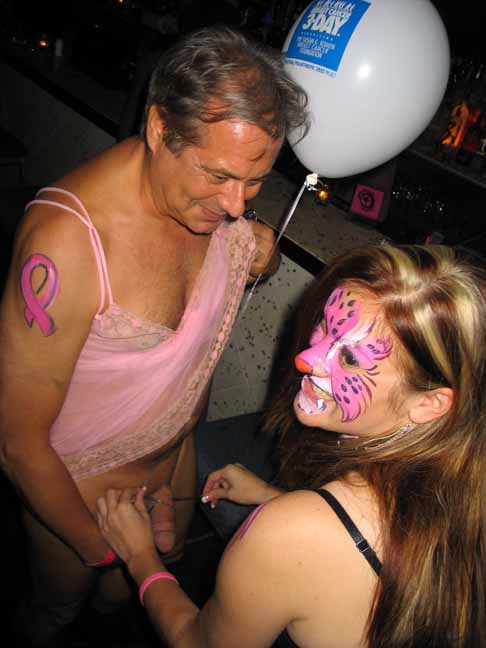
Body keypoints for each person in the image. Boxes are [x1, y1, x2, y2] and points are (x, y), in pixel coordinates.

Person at [0, 26, 308, 645]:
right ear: (160, 128)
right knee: (55, 614)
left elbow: (239, 257)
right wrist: (107, 549)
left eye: (255, 182)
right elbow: (18, 444)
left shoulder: (217, 207)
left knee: (120, 612)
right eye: (218, 176)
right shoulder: (66, 244)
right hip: (79, 494)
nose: (236, 205)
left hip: (175, 465)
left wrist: (267, 255)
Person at [97, 244, 486, 647]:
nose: (306, 358)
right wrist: (273, 497)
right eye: (325, 326)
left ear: (428, 404)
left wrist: (140, 557)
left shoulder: (284, 534)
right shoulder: (463, 477)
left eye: (351, 359)